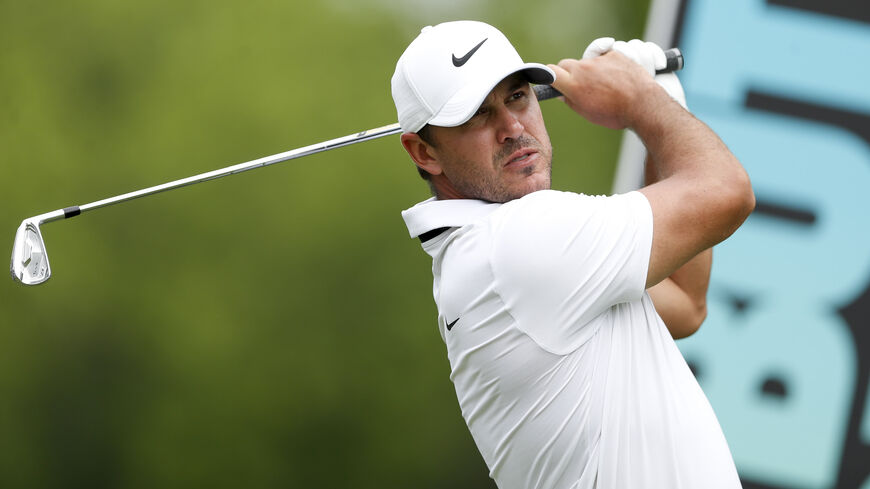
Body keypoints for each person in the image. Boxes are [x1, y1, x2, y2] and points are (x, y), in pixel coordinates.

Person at [393, 20, 754, 489]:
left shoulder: (489, 256)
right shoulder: (515, 242)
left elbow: (685, 303)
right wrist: (642, 100)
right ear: (424, 152)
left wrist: (663, 101)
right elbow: (729, 192)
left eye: (517, 96)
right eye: (476, 115)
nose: (512, 127)